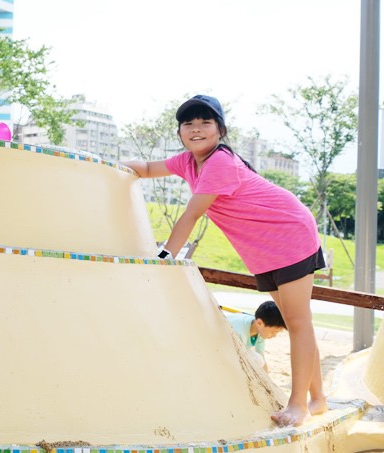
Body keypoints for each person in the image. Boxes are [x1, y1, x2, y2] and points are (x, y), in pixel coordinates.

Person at [121, 94, 327, 428]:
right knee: (294, 318)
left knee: (298, 321)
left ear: (220, 129)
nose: (196, 129)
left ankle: (299, 405)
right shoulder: (187, 162)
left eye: (205, 122)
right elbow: (144, 168)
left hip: (289, 233)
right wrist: (105, 167)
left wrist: (164, 256)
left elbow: (192, 213)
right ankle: (318, 398)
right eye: (188, 123)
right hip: (263, 248)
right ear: (180, 133)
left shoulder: (219, 162)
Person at [224, 301, 287, 373]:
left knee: (259, 359)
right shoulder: (239, 333)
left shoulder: (259, 328)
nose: (274, 336)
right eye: (273, 332)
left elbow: (261, 356)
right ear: (259, 323)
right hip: (223, 346)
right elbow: (238, 358)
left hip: (236, 349)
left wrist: (266, 377)